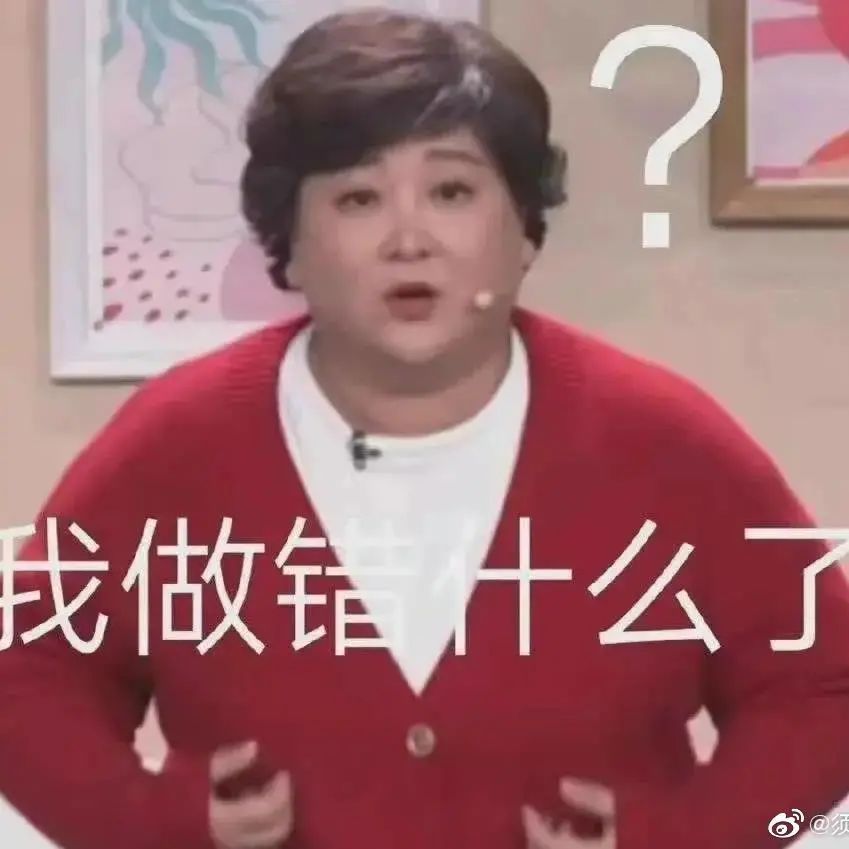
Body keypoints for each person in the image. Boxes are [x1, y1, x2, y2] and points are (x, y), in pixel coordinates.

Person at [2, 8, 849, 849]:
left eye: (451, 192)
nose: (409, 241)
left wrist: (698, 838)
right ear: (289, 243)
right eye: (358, 198)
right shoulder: (178, 443)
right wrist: (146, 824)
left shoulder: (663, 444)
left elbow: (823, 694)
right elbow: (28, 679)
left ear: (523, 229)